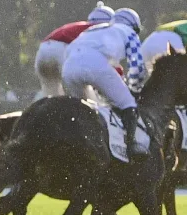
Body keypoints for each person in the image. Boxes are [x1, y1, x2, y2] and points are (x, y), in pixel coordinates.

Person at [61, 7, 148, 163]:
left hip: (68, 67)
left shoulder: (94, 29)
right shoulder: (129, 32)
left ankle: (69, 143)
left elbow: (69, 51)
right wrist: (135, 89)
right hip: (95, 64)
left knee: (79, 109)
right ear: (134, 26)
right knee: (128, 103)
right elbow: (137, 67)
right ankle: (132, 146)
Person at [34, 1, 115, 98]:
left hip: (43, 50)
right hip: (62, 51)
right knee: (86, 98)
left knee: (50, 96)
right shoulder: (101, 32)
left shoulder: (80, 26)